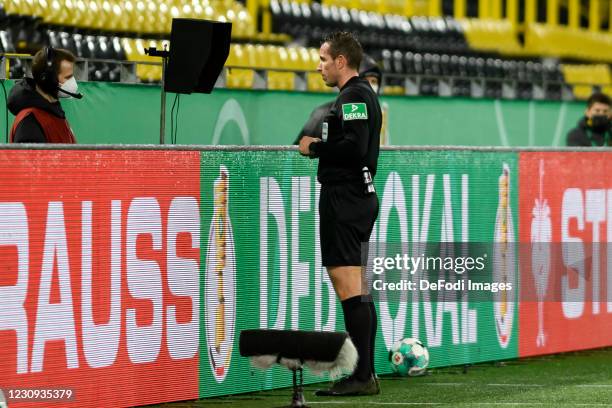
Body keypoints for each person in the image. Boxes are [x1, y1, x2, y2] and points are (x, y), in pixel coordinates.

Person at [298, 32, 381, 396]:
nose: (319, 66)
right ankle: (366, 374)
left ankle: (361, 377)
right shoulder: (356, 96)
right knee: (356, 288)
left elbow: (354, 147)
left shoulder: (355, 96)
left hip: (346, 197)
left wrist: (315, 147)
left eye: (324, 59)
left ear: (341, 62)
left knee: (351, 288)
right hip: (353, 196)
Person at [294, 54, 382, 143]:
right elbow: (297, 151)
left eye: (374, 81)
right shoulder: (323, 113)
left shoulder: (376, 115)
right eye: (365, 80)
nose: (369, 86)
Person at [8, 47, 80, 143]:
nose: (72, 82)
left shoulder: (55, 113)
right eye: (68, 77)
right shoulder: (29, 122)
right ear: (47, 79)